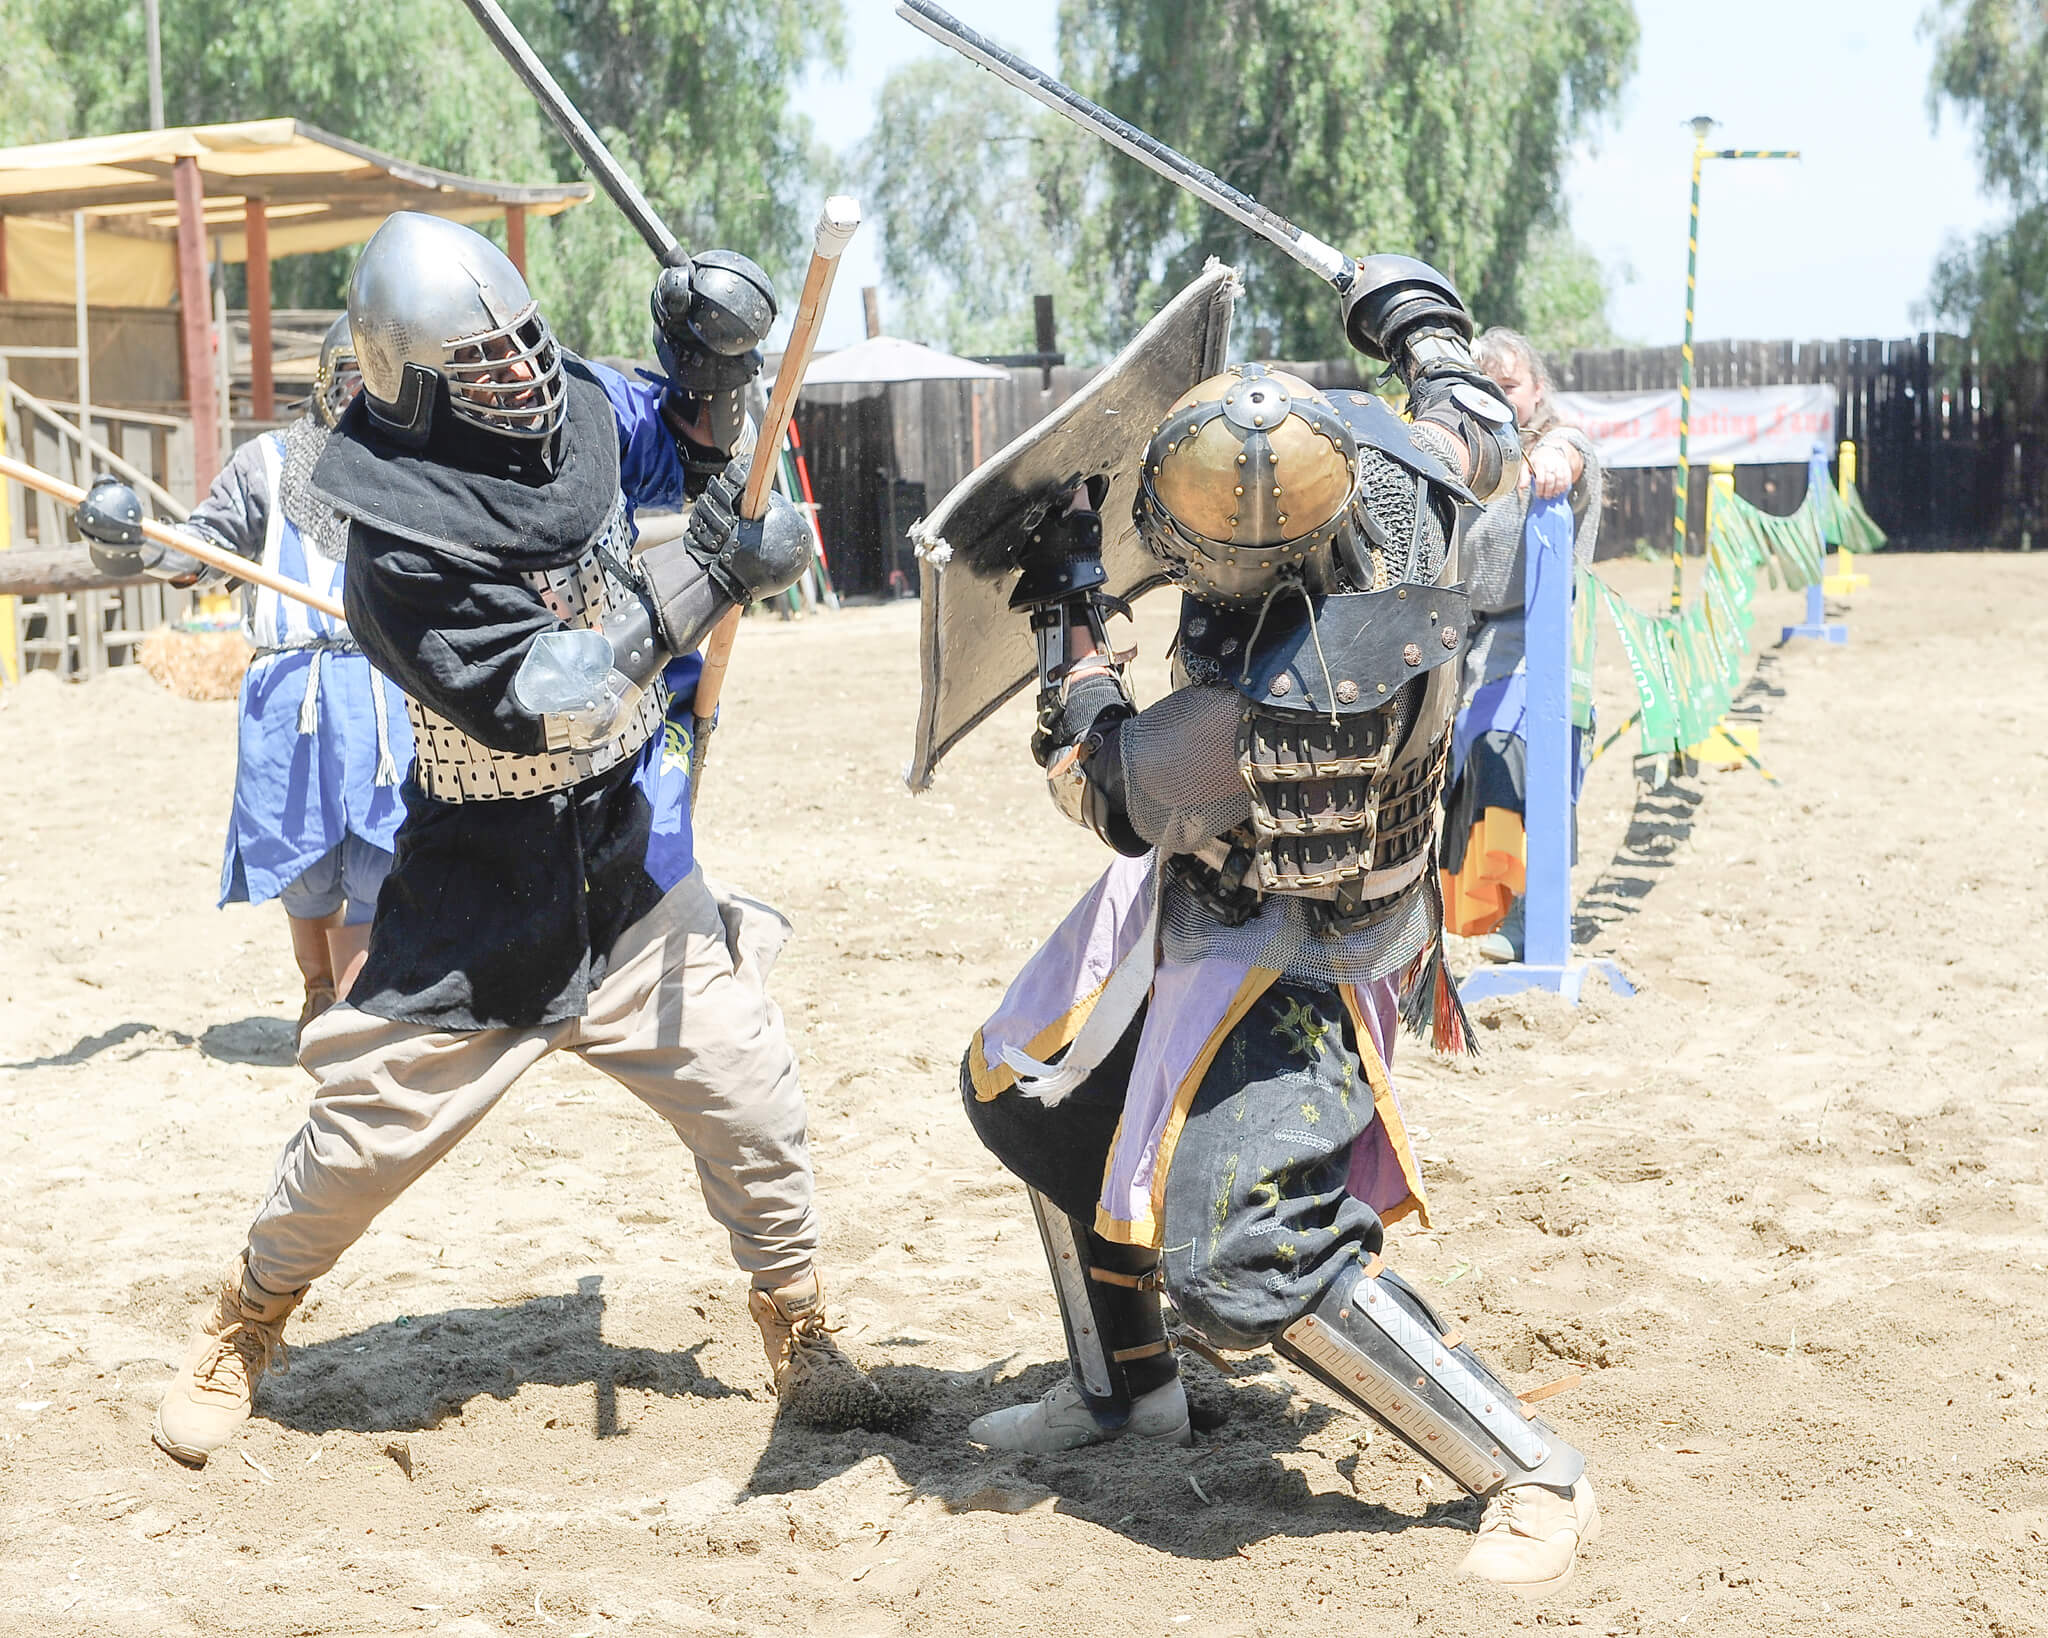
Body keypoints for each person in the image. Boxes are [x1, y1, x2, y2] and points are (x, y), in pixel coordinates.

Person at [106, 211, 881, 1471]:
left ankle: (798, 1325)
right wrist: (714, 580)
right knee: (358, 1145)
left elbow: (663, 445)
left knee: (751, 1096)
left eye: (528, 348)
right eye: (487, 367)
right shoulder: (393, 544)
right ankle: (244, 1322)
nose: (524, 382)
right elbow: (553, 690)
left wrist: (710, 380)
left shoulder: (566, 410)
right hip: (477, 877)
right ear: (412, 382)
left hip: (626, 859)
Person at [954, 259, 1602, 1596]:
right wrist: (1409, 308)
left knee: (1246, 1247)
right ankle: (1128, 1391)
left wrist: (1068, 614)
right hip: (1216, 892)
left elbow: (1106, 778)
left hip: (1306, 950)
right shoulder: (1398, 487)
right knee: (1029, 1090)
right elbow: (1463, 399)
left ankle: (1529, 1467)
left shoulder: (1259, 709)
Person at [80, 318, 410, 1041]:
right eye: (349, 378)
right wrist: (138, 545)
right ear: (325, 383)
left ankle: (353, 1019)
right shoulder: (268, 464)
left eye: (374, 381)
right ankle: (320, 993)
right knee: (306, 866)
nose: (359, 396)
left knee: (378, 859)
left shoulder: (412, 466)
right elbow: (200, 549)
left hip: (382, 690)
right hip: (291, 694)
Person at [1439, 326, 1604, 963]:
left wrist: (1558, 455)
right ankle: (1492, 911)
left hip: (1541, 641)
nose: (1500, 400)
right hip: (1466, 645)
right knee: (1475, 764)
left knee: (1520, 758)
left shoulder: (1552, 445)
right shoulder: (1467, 458)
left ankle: (1533, 919)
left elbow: (1575, 449)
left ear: (1536, 391)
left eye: (1509, 386)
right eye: (1487, 389)